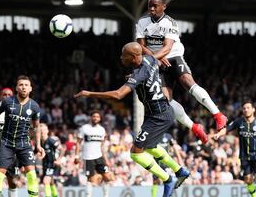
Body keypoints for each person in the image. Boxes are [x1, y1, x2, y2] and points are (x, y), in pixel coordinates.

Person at [75, 42, 190, 197]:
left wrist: (89, 94)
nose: (121, 57)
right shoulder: (149, 59)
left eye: (124, 55)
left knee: (136, 153)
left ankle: (167, 178)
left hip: (159, 116)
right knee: (149, 147)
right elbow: (155, 59)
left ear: (134, 57)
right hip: (156, 113)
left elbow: (118, 94)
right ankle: (180, 170)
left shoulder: (139, 73)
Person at [136, 0, 228, 142]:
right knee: (165, 100)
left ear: (163, 7)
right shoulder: (142, 22)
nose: (151, 9)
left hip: (173, 57)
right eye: (149, 6)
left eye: (155, 6)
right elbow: (140, 46)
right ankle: (195, 127)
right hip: (156, 61)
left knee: (187, 81)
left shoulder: (170, 23)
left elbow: (167, 48)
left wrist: (157, 56)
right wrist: (155, 58)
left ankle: (218, 115)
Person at [0, 75, 45, 197]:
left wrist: (38, 145)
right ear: (17, 87)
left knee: (32, 176)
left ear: (30, 89)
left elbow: (36, 127)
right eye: (21, 85)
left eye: (26, 85)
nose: (23, 87)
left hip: (24, 144)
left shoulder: (34, 106)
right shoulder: (7, 102)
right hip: (6, 144)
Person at [212, 99, 256, 197]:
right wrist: (219, 134)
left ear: (253, 109)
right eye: (244, 108)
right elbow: (226, 129)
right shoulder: (238, 122)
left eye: (248, 108)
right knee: (248, 180)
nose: (246, 110)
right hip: (244, 156)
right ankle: (254, 196)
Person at [74, 110, 113, 197]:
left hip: (99, 157)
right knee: (90, 179)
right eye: (94, 116)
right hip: (88, 157)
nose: (96, 118)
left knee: (107, 177)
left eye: (97, 117)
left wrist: (106, 159)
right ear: (91, 117)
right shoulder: (84, 128)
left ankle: (106, 195)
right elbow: (78, 143)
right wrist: (76, 156)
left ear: (100, 118)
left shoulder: (102, 130)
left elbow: (102, 146)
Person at [151, 133, 182, 197]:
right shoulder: (154, 135)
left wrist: (179, 158)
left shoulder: (168, 136)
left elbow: (174, 147)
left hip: (165, 163)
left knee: (168, 180)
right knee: (155, 181)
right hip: (156, 163)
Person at [40, 123, 64, 197]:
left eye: (44, 130)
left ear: (47, 131)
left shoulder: (50, 140)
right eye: (40, 130)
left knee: (46, 181)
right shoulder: (40, 142)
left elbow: (62, 149)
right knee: (51, 182)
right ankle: (55, 195)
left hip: (52, 164)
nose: (42, 132)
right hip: (45, 165)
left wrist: (59, 159)